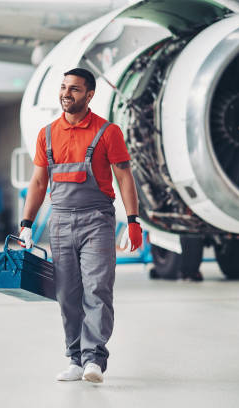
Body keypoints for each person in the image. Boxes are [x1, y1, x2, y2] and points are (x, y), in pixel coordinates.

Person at [19, 67, 142, 383]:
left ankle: (94, 360)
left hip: (96, 221)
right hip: (59, 221)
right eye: (63, 87)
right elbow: (37, 181)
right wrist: (26, 224)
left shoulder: (107, 132)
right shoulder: (47, 134)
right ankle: (75, 359)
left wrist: (132, 221)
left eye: (74, 89)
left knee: (97, 288)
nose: (66, 94)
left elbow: (124, 176)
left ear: (89, 95)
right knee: (67, 293)